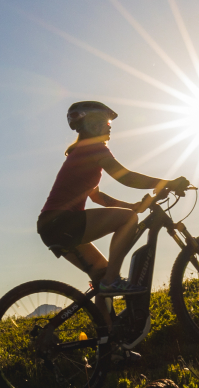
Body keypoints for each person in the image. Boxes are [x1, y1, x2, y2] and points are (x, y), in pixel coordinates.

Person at [37, 101, 190, 321]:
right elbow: (124, 176)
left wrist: (131, 206)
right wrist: (168, 182)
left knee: (100, 274)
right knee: (128, 221)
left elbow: (97, 196)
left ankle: (107, 341)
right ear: (93, 124)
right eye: (106, 122)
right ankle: (112, 282)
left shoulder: (82, 152)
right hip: (62, 222)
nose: (110, 126)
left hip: (52, 226)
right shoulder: (94, 148)